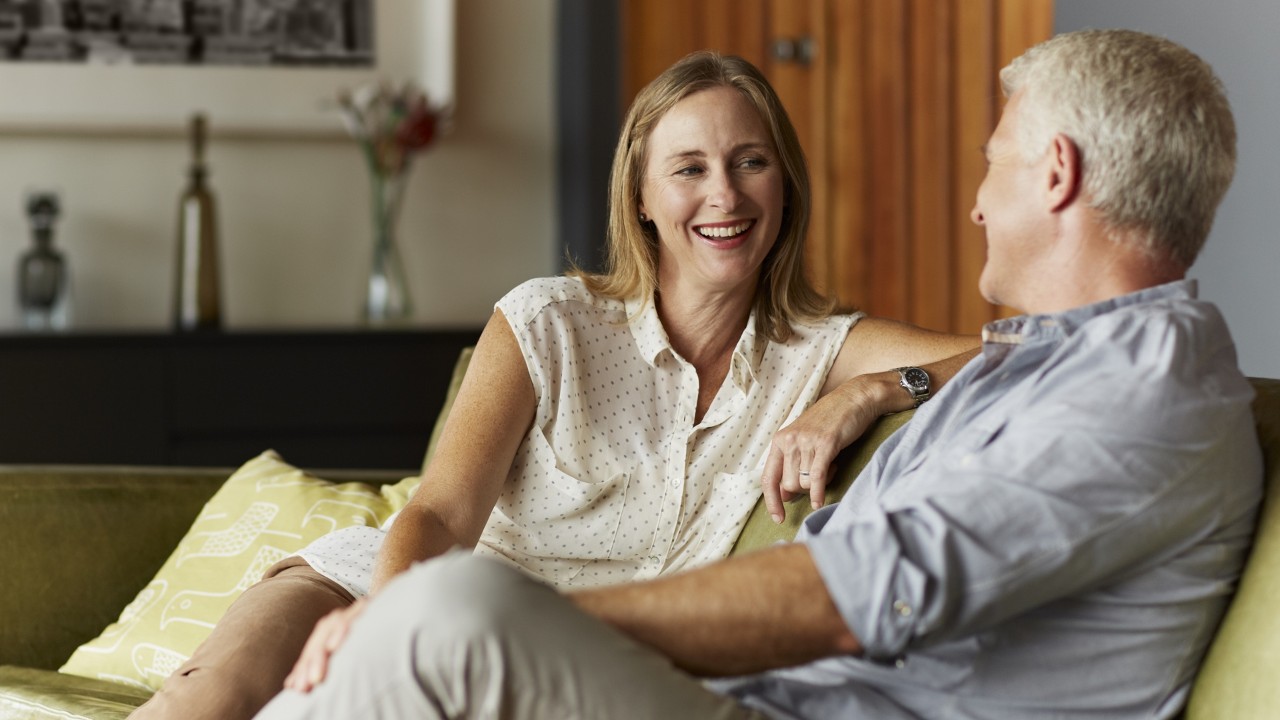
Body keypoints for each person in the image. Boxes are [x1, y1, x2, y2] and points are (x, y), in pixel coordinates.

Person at [251, 29, 1264, 720]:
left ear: (1053, 173)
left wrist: (547, 622)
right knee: (392, 639)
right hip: (770, 703)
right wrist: (872, 390)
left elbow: (850, 594)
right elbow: (960, 364)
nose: (972, 204)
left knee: (450, 617)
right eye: (686, 168)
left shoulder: (1138, 396)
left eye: (993, 162)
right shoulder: (1059, 359)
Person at [130, 52, 976, 720]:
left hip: (556, 661)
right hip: (387, 589)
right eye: (688, 168)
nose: (724, 193)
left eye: (750, 162)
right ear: (641, 196)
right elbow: (438, 515)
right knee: (208, 705)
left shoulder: (822, 352)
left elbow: (1028, 353)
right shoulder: (548, 323)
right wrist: (388, 629)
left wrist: (866, 393)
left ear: (783, 187)